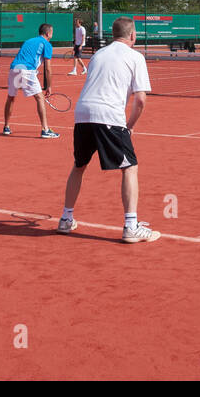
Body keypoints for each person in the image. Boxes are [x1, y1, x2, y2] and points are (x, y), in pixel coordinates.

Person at [58, 16, 158, 243]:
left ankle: (66, 218)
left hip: (83, 114)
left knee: (79, 166)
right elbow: (140, 100)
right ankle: (131, 226)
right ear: (132, 35)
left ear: (114, 35)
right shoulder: (135, 57)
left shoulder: (98, 55)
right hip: (109, 116)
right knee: (130, 168)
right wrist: (129, 127)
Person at [2, 23, 57, 139]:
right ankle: (45, 129)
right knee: (40, 97)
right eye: (52, 32)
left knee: (11, 97)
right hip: (27, 70)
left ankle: (6, 127)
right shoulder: (46, 44)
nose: (52, 35)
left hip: (14, 69)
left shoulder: (28, 41)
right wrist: (49, 86)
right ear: (48, 33)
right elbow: (48, 68)